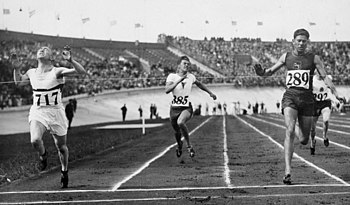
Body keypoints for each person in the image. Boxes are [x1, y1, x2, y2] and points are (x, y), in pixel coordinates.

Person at [254, 28, 343, 185]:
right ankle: (288, 171)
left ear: (307, 42)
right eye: (299, 40)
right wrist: (260, 71)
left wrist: (335, 93)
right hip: (290, 97)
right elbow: (268, 73)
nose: (301, 43)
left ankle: (294, 125)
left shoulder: (314, 59)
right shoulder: (286, 57)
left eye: (304, 41)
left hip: (308, 100)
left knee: (303, 139)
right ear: (293, 41)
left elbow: (325, 77)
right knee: (289, 131)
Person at [12, 45, 86, 188]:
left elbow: (81, 72)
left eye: (45, 49)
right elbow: (18, 82)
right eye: (40, 49)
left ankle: (64, 171)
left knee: (62, 147)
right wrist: (16, 69)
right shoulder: (31, 72)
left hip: (56, 112)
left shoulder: (56, 71)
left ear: (51, 57)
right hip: (39, 111)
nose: (41, 49)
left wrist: (71, 60)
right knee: (35, 139)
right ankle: (43, 155)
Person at [165, 56, 217, 158]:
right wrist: (179, 80)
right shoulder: (172, 76)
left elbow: (200, 84)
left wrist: (210, 93)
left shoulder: (191, 77)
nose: (186, 66)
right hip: (174, 108)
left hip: (186, 107)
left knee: (181, 122)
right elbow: (167, 90)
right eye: (184, 63)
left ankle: (189, 146)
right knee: (177, 132)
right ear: (179, 65)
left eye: (188, 64)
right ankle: (179, 146)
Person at [309, 73, 342, 155]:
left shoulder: (327, 78)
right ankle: (312, 142)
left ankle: (324, 136)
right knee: (312, 129)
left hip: (325, 102)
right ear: (316, 71)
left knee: (326, 120)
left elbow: (331, 90)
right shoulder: (312, 80)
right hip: (315, 104)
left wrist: (335, 99)